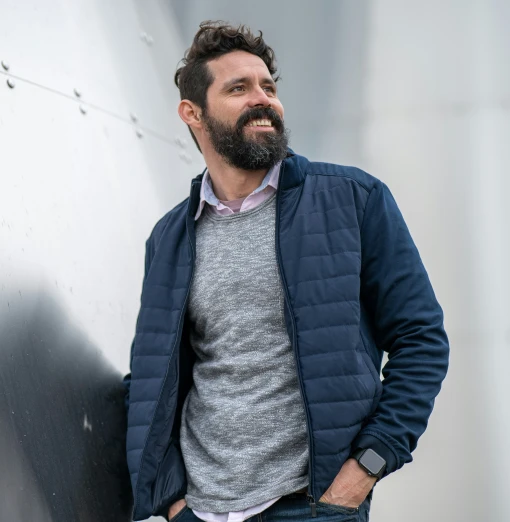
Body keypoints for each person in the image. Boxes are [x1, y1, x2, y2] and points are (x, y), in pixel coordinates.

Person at [122, 21, 449, 522]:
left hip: (315, 505)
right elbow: (154, 376)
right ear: (193, 113)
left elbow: (421, 337)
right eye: (239, 88)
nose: (264, 99)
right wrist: (171, 501)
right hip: (202, 511)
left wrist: (366, 468)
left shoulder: (353, 200)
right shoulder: (170, 238)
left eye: (268, 87)